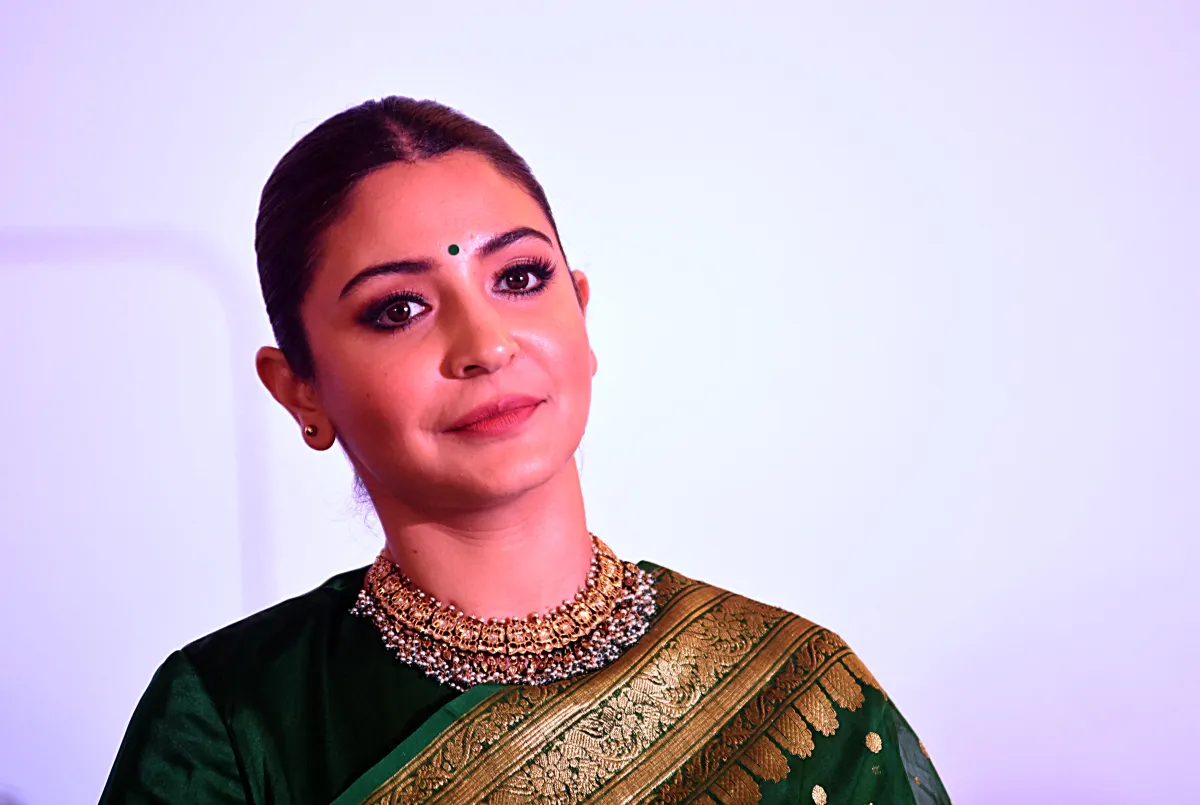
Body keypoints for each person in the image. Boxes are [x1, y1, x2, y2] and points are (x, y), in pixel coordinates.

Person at [99, 96, 951, 805]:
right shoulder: (231, 718)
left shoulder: (798, 693)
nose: (487, 343)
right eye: (398, 308)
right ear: (301, 390)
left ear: (580, 313)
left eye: (519, 278)